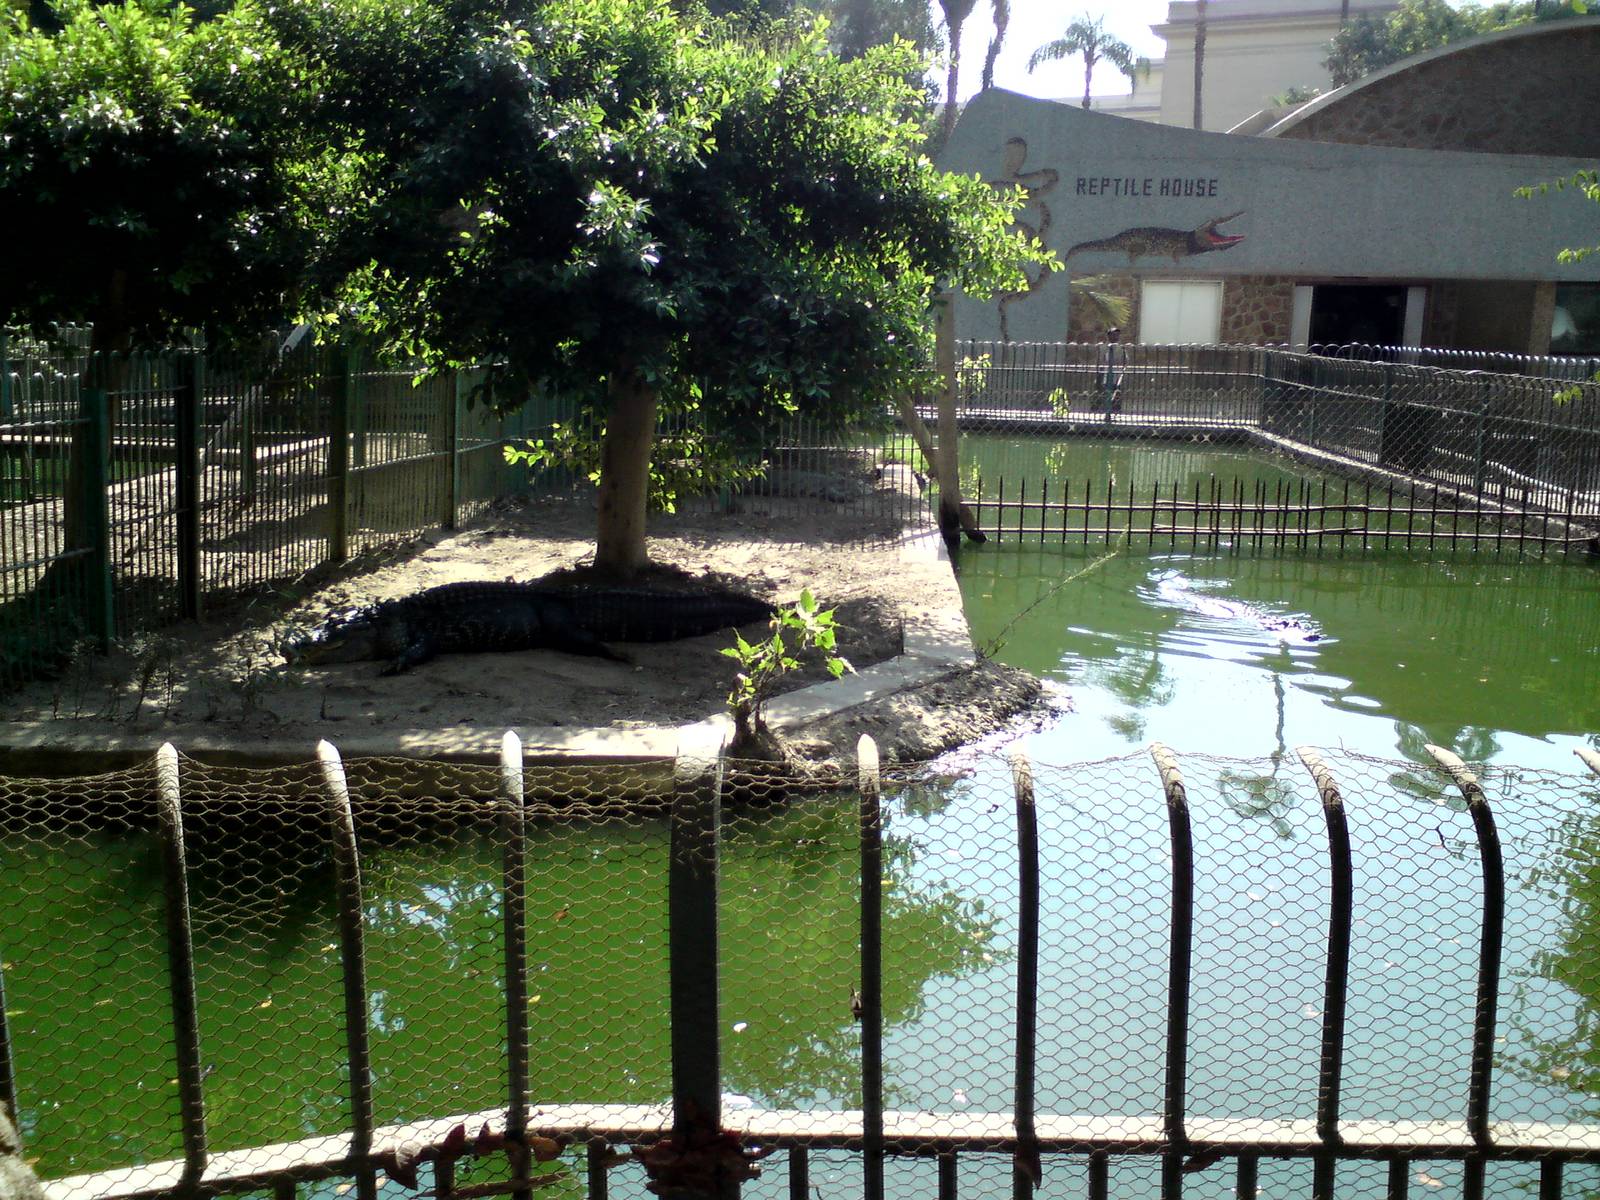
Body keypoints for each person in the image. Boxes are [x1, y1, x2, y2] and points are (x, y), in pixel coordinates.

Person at [1099, 327, 1125, 423]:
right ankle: (1106, 413)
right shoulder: (1104, 347)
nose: (1116, 337)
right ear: (1109, 336)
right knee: (1106, 394)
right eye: (1114, 335)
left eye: (1117, 335)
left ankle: (1116, 413)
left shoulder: (1121, 348)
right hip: (1106, 374)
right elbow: (1101, 360)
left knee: (1117, 394)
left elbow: (1125, 361)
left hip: (1117, 374)